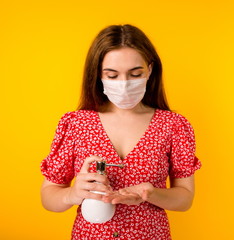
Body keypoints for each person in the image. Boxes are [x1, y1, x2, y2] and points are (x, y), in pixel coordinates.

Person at [40, 24, 201, 239]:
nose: (124, 84)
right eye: (112, 75)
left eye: (135, 74)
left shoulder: (173, 125)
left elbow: (184, 199)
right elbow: (48, 197)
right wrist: (73, 193)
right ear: (98, 74)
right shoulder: (76, 123)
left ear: (150, 70)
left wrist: (150, 194)